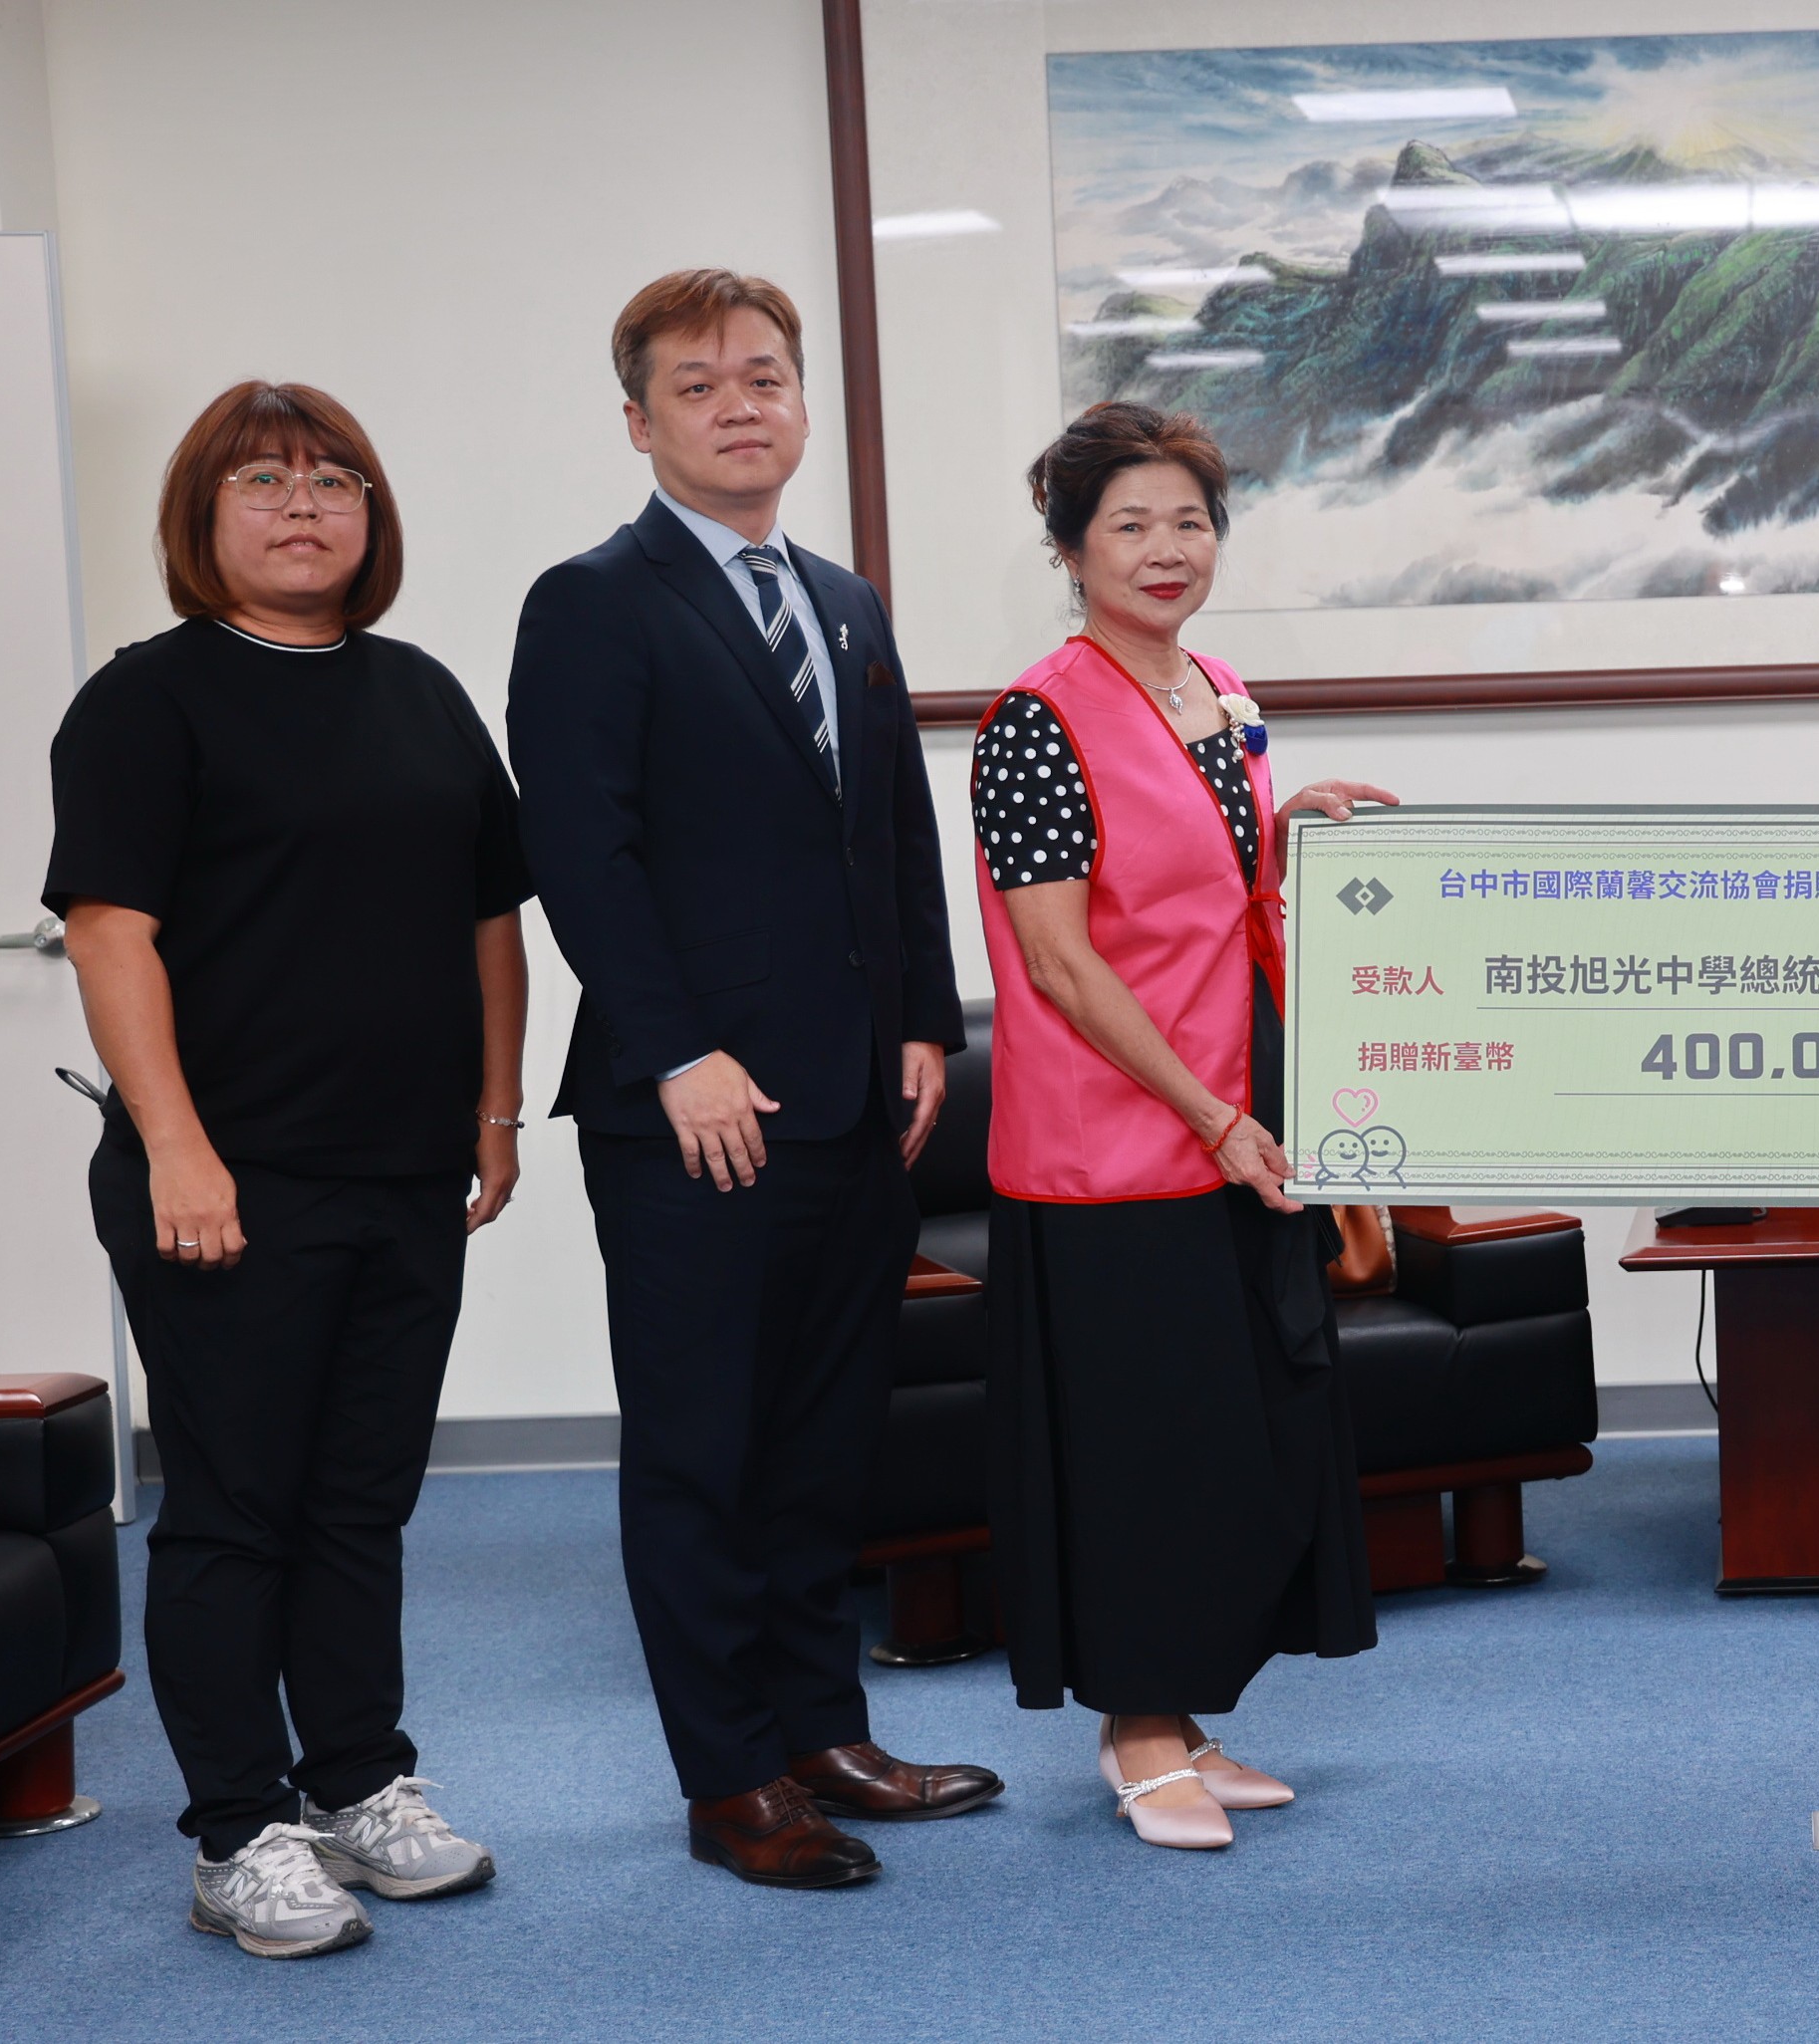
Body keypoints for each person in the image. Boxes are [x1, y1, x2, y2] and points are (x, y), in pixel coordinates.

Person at [507, 270, 994, 1888]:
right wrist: (676, 1050)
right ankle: (730, 1783)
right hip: (691, 1117)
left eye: (766, 377)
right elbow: (583, 853)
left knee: (824, 1446)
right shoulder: (594, 602)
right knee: (703, 1453)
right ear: (639, 420)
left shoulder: (845, 602)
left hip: (854, 1100)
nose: (740, 406)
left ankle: (820, 1734)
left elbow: (895, 831)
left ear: (801, 402)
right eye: (700, 384)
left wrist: (922, 1019)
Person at [48, 382, 521, 1958]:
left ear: (372, 515)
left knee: (360, 1503)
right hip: (229, 1182)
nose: (302, 505)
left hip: (402, 1173)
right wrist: (177, 1149)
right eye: (261, 480)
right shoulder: (147, 701)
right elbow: (110, 935)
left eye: (334, 480)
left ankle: (358, 1782)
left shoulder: (422, 694)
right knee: (236, 1510)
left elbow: (489, 919)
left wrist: (496, 1112)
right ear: (202, 517)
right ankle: (237, 1830)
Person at [972, 400, 1391, 1850]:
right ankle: (1138, 1731)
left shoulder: (1217, 686)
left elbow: (1199, 877)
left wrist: (1287, 823)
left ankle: (1185, 1712)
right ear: (1071, 548)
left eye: (1191, 521)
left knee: (1239, 1432)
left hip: (1239, 1114)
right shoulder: (1036, 719)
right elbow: (1062, 960)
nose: (1167, 549)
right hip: (1117, 1146)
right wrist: (1212, 1116)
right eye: (1130, 524)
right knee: (1140, 1446)